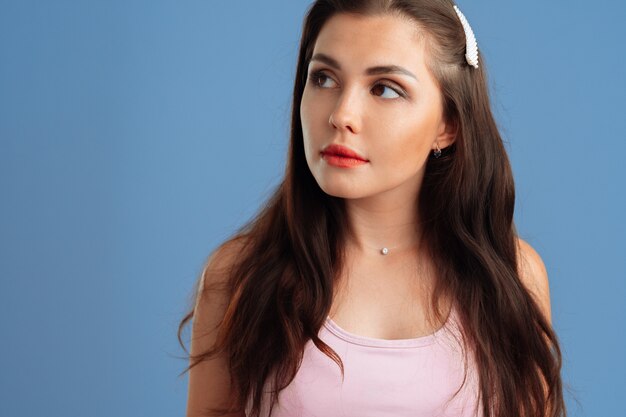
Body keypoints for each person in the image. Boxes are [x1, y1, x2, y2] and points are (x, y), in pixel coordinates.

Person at [178, 1, 566, 416]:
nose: (342, 114)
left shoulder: (514, 276)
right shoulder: (238, 276)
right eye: (324, 78)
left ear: (447, 124)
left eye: (384, 88)